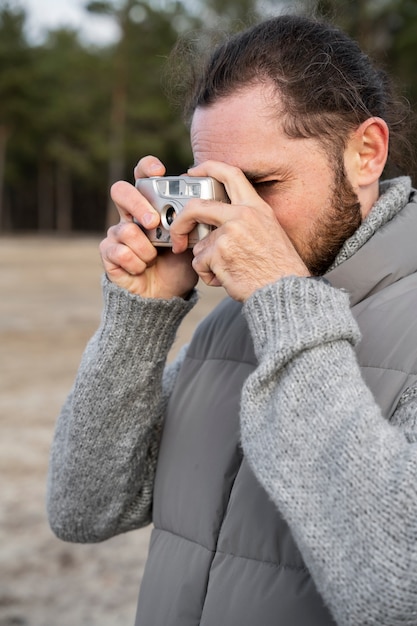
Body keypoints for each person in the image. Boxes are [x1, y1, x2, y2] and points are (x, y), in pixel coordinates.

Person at [47, 13, 417, 626]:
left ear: (365, 152)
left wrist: (280, 296)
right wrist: (143, 314)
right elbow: (85, 509)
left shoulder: (271, 301)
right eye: (215, 191)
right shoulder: (231, 323)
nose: (231, 220)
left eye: (262, 184)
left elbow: (396, 586)